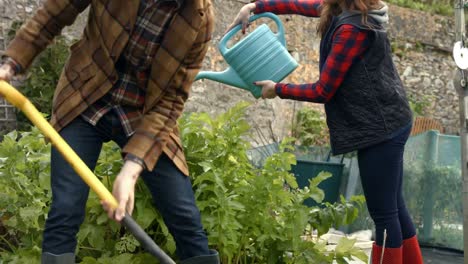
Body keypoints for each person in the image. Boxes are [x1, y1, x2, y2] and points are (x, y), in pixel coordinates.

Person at [0, 0, 219, 263]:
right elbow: (55, 13)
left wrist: (131, 168)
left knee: (185, 216)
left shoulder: (198, 19)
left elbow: (170, 102)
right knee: (66, 207)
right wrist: (10, 65)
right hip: (86, 97)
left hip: (144, 114)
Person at [227, 1, 423, 263]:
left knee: (385, 214)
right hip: (389, 118)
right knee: (394, 208)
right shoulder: (347, 9)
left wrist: (278, 89)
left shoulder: (353, 29)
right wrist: (255, 7)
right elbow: (299, 5)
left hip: (380, 129)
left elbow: (323, 90)